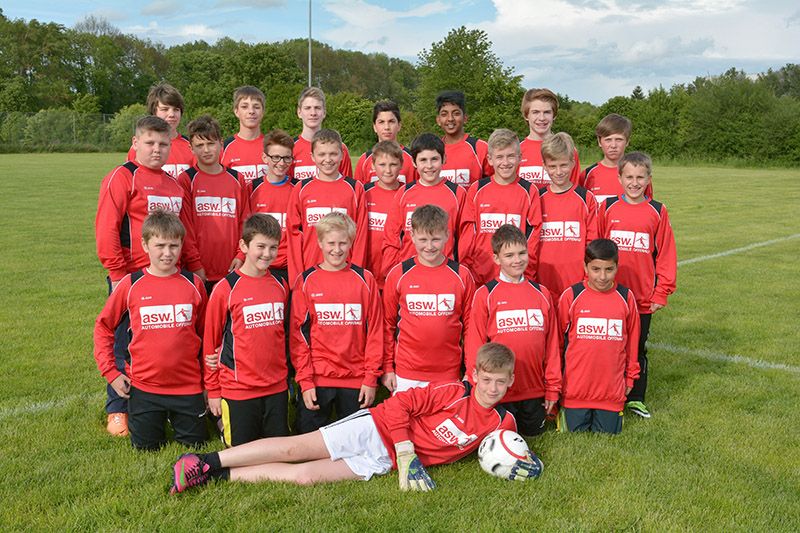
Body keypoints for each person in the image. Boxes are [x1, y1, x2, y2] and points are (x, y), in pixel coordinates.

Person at [169, 342, 542, 494]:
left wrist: (530, 464)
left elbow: (512, 449)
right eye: (486, 380)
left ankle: (216, 477)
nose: (492, 388)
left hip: (385, 460)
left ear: (511, 380)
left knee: (306, 476)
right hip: (375, 429)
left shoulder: (502, 423)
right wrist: (407, 450)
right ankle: (204, 461)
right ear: (475, 375)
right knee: (295, 449)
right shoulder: (453, 391)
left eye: (500, 382)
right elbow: (398, 405)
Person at [95, 115, 205, 437]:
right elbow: (106, 227)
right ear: (135, 143)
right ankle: (118, 408)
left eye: (163, 144)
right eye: (150, 143)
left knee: (166, 338)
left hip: (169, 273)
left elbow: (185, 229)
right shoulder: (123, 177)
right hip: (131, 276)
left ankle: (165, 404)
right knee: (123, 341)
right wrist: (117, 272)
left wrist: (194, 264)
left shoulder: (173, 185)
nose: (157, 149)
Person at [94, 211, 208, 449]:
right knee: (147, 448)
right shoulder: (131, 284)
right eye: (160, 246)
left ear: (181, 245)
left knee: (195, 445)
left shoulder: (194, 285)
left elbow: (207, 337)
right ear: (145, 245)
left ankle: (181, 414)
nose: (167, 253)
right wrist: (111, 372)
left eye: (174, 246)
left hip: (188, 386)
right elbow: (104, 327)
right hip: (145, 388)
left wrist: (208, 384)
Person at [597, 152, 676, 418]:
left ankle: (636, 398)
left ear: (649, 179)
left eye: (640, 177)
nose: (634, 182)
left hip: (641, 297)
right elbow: (594, 249)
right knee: (608, 345)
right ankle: (607, 393)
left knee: (637, 347)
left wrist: (662, 292)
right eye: (629, 177)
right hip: (609, 293)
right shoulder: (607, 208)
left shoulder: (657, 211)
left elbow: (665, 254)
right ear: (619, 178)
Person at [290, 212, 383, 434]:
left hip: (356, 379)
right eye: (331, 243)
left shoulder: (365, 280)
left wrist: (370, 378)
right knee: (307, 442)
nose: (337, 249)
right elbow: (298, 337)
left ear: (351, 243)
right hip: (318, 378)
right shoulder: (306, 281)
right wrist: (306, 381)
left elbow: (375, 333)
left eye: (343, 243)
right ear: (320, 242)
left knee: (354, 443)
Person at [203, 214, 290, 446]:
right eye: (260, 246)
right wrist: (213, 391)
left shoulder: (281, 285)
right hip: (238, 388)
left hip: (276, 386)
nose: (267, 254)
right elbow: (211, 343)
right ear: (244, 246)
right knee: (241, 452)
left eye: (273, 247)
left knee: (278, 449)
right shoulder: (226, 288)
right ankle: (221, 423)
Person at [464, 225, 560, 436]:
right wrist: (475, 385)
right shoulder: (486, 294)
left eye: (521, 253)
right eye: (509, 255)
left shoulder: (542, 293)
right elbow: (475, 345)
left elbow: (552, 345)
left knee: (534, 435)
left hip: (533, 389)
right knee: (499, 437)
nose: (517, 260)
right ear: (496, 258)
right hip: (499, 392)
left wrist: (553, 388)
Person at [383, 205, 475, 393]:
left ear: (447, 235)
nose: (429, 246)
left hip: (447, 373)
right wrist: (387, 367)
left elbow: (472, 328)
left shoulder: (462, 275)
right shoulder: (399, 274)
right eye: (423, 240)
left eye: (436, 239)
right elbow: (386, 324)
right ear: (412, 235)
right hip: (406, 373)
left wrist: (470, 370)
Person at [555, 239, 640, 434]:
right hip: (575, 391)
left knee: (608, 435)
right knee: (574, 436)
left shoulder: (626, 297)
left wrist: (630, 378)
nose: (602, 276)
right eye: (596, 269)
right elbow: (557, 343)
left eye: (609, 269)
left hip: (611, 392)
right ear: (585, 267)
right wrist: (556, 382)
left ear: (617, 267)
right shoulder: (571, 296)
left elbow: (633, 343)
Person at [381, 133, 471, 278]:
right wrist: (395, 272)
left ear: (444, 159)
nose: (429, 166)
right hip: (410, 274)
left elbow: (466, 239)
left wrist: (460, 272)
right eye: (423, 160)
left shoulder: (457, 193)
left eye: (434, 159)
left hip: (445, 274)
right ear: (414, 162)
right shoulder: (404, 193)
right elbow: (391, 237)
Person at [461, 128, 542, 286]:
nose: (505, 162)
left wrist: (527, 272)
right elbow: (468, 234)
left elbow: (533, 236)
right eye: (499, 157)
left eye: (510, 156)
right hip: (481, 275)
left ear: (519, 158)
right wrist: (468, 269)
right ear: (490, 159)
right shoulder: (476, 190)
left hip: (516, 275)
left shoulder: (529, 191)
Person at [286, 129, 367, 284]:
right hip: (310, 272)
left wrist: (356, 272)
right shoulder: (301, 189)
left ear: (342, 155)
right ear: (312, 157)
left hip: (345, 272)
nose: (328, 159)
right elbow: (293, 235)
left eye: (333, 154)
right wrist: (297, 278)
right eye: (322, 154)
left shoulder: (355, 188)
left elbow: (361, 234)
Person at [182, 114, 250, 295]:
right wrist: (195, 264)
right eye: (199, 145)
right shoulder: (186, 179)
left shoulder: (237, 179)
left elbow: (245, 222)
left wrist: (241, 255)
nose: (206, 150)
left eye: (211, 144)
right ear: (191, 148)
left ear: (221, 144)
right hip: (198, 270)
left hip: (232, 267)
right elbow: (185, 227)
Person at [536, 132, 598, 299]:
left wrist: (588, 277)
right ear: (544, 165)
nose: (558, 172)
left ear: (572, 163)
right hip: (543, 282)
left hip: (577, 283)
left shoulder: (586, 199)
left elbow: (592, 242)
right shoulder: (537, 198)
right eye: (552, 166)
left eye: (563, 165)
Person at [248, 130, 297, 283]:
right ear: (265, 157)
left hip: (289, 266)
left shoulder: (299, 188)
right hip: (260, 263)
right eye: (276, 157)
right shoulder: (252, 188)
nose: (281, 163)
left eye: (286, 158)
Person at [579, 113, 653, 204]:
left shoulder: (639, 174)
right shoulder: (587, 175)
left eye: (619, 139)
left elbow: (647, 207)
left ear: (627, 141)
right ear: (599, 141)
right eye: (608, 140)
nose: (613, 145)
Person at [127, 82, 195, 179]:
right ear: (154, 112)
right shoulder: (140, 147)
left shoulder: (191, 147)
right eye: (165, 109)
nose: (171, 114)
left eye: (176, 109)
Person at [362, 140, 404, 290]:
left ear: (401, 165)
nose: (388, 170)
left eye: (393, 164)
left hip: (396, 274)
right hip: (368, 272)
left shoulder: (407, 194)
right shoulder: (363, 193)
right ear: (373, 165)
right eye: (382, 164)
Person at [518, 88, 580, 188]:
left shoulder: (567, 149)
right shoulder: (516, 151)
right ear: (526, 115)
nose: (541, 118)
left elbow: (572, 191)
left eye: (547, 112)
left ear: (554, 115)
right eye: (535, 112)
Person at [290, 87, 353, 180]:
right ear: (299, 112)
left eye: (317, 108)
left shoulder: (340, 148)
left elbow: (347, 185)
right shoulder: (290, 148)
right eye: (307, 108)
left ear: (324, 112)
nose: (313, 113)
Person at [435, 90, 491, 186]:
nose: (450, 119)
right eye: (444, 114)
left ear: (465, 118)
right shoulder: (432, 150)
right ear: (438, 120)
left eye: (456, 113)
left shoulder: (480, 148)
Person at [354, 101, 417, 185]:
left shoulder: (412, 159)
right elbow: (358, 191)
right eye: (381, 122)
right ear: (374, 127)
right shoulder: (364, 160)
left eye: (391, 121)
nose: (386, 127)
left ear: (399, 125)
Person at [220, 86, 268, 183]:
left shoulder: (272, 145)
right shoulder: (224, 148)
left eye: (256, 107)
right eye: (244, 107)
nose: (251, 111)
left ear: (263, 112)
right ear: (236, 111)